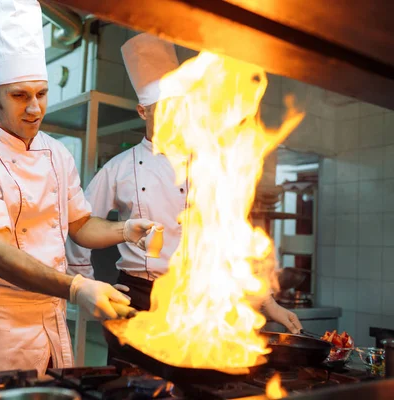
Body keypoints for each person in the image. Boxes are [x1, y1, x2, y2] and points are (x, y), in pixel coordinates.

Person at [0, 0, 157, 376]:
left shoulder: (57, 152)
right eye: (19, 96)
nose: (34, 109)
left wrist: (124, 229)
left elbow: (79, 225)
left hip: (52, 317)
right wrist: (76, 287)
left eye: (41, 94)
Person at [66, 33, 303, 334]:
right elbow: (79, 226)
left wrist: (268, 303)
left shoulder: (208, 163)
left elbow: (232, 238)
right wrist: (85, 285)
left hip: (196, 300)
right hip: (138, 296)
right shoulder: (119, 168)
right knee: (131, 379)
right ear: (143, 111)